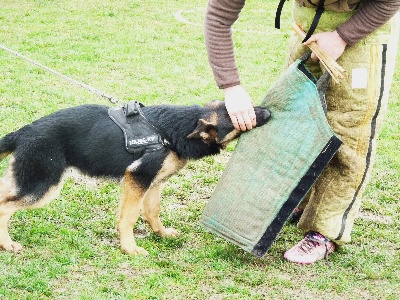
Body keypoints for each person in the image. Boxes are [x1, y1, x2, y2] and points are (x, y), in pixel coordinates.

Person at [204, 0, 400, 264]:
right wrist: (231, 88)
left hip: (363, 36)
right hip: (306, 32)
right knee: (293, 122)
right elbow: (219, 15)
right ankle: (298, 201)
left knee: (348, 135)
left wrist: (343, 36)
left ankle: (324, 231)